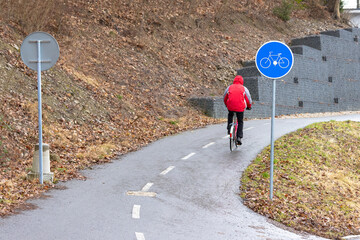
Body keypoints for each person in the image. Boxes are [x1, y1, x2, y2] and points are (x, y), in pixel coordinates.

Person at [223, 75, 252, 145]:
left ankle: (229, 128)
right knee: (240, 121)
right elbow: (248, 99)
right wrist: (249, 106)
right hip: (240, 108)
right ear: (242, 81)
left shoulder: (229, 87)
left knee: (230, 115)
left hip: (230, 107)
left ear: (234, 81)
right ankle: (239, 137)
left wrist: (226, 104)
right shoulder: (244, 88)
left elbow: (224, 97)